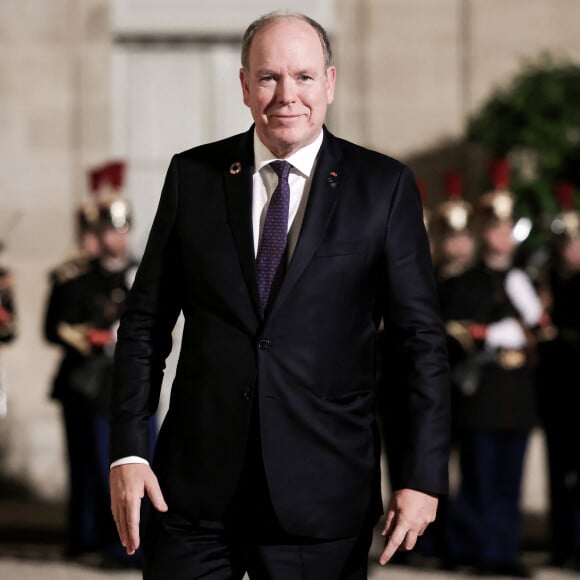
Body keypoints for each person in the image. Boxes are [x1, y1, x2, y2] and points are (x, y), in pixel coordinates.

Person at [109, 11, 450, 580]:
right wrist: (128, 449)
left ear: (331, 83)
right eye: (268, 78)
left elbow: (420, 345)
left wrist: (421, 475)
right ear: (244, 86)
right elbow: (145, 324)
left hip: (321, 496)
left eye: (304, 77)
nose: (286, 95)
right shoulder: (193, 176)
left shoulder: (382, 188)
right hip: (192, 493)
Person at [441, 160, 545, 577]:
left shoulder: (526, 280)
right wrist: (491, 332)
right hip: (481, 395)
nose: (504, 234)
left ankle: (504, 550)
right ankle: (481, 550)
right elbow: (456, 330)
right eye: (496, 227)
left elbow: (541, 332)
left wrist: (527, 319)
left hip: (516, 394)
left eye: (509, 227)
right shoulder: (467, 283)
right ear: (485, 232)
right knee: (480, 479)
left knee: (509, 480)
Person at [45, 166, 153, 566]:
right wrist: (96, 338)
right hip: (94, 386)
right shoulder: (79, 277)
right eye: (110, 230)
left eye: (123, 230)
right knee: (94, 466)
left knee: (141, 462)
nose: (117, 238)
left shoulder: (142, 272)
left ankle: (133, 544)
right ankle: (97, 539)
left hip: (135, 383)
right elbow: (58, 327)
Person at [535, 181, 580, 570]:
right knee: (558, 472)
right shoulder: (549, 279)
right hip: (557, 390)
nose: (571, 249)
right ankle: (563, 543)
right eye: (566, 242)